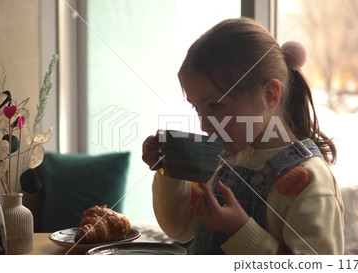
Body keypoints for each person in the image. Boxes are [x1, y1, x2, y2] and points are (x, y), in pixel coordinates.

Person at [142, 17, 343, 254]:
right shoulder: (222, 158)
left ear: (270, 94)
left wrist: (240, 231)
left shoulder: (308, 182)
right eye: (197, 108)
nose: (204, 125)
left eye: (215, 106)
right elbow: (180, 226)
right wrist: (170, 169)